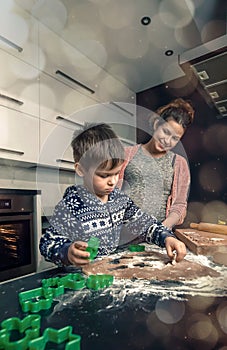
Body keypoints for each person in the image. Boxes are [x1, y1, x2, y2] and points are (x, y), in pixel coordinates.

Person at [39, 122, 186, 267]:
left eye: (116, 173)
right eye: (104, 176)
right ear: (81, 169)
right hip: (79, 278)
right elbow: (48, 243)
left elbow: (146, 225)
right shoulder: (71, 205)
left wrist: (166, 237)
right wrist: (67, 252)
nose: (113, 181)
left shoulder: (120, 200)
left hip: (107, 271)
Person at [118, 98, 195, 229]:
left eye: (175, 138)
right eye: (166, 132)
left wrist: (160, 230)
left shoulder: (179, 163)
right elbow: (109, 191)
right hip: (123, 232)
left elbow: (179, 205)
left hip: (157, 236)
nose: (167, 141)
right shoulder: (126, 154)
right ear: (156, 125)